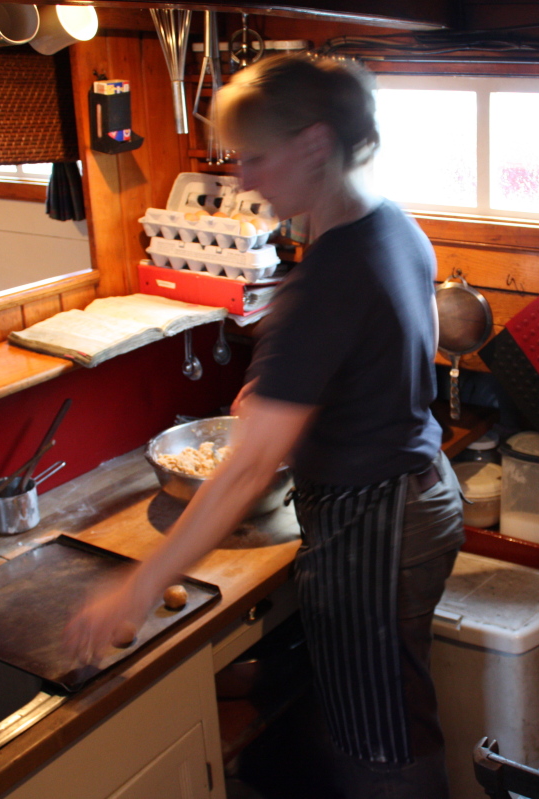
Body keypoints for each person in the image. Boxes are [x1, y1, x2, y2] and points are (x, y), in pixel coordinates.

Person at [65, 53, 464, 799]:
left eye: (254, 156)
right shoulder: (391, 224)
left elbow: (246, 472)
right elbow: (398, 348)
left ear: (313, 144)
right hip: (419, 495)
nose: (243, 178)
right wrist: (285, 390)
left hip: (373, 522)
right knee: (384, 711)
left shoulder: (328, 277)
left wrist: (140, 587)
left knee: (383, 739)